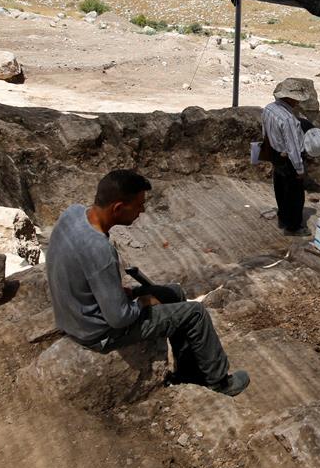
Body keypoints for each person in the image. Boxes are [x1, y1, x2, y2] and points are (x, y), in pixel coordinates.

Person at [46, 169, 249, 396]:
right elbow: (119, 318)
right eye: (139, 205)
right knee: (196, 313)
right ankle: (220, 382)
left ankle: (189, 374)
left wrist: (115, 292)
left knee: (172, 293)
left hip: (72, 313)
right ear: (118, 208)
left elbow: (78, 269)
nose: (143, 210)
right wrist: (142, 302)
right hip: (96, 331)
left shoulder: (73, 213)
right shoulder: (99, 249)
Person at [263, 79, 311, 236]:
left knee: (280, 187)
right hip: (289, 158)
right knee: (295, 193)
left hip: (276, 154)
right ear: (289, 98)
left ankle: (283, 218)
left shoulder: (269, 109)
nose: (298, 102)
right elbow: (293, 147)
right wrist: (299, 169)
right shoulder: (288, 119)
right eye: (296, 99)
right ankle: (294, 226)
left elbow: (266, 131)